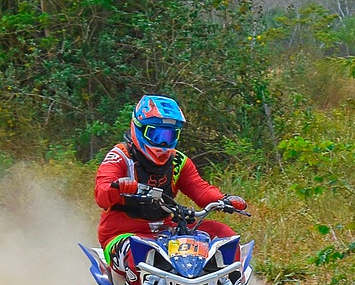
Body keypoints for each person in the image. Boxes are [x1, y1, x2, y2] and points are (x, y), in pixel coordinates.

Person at [93, 96, 247, 262]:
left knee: (225, 236)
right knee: (139, 254)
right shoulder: (120, 157)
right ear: (138, 128)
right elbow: (101, 194)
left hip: (168, 231)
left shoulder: (178, 161)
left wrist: (224, 200)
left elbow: (200, 189)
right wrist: (118, 187)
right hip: (121, 233)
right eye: (156, 135)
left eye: (170, 135)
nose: (164, 143)